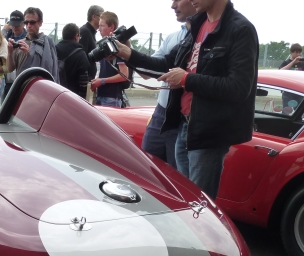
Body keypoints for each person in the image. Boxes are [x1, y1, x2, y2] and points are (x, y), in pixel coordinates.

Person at [114, 0, 258, 199]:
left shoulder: (240, 29)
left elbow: (239, 87)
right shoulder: (197, 25)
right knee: (185, 200)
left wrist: (186, 79)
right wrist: (126, 53)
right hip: (184, 126)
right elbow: (166, 64)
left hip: (208, 134)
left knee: (200, 206)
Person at [141, 0, 195, 167]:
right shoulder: (173, 38)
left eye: (177, 0)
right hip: (160, 114)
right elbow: (145, 72)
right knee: (148, 169)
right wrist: (125, 53)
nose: (173, 6)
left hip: (182, 119)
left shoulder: (205, 38)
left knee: (177, 179)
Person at [6, 7, 59, 82]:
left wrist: (30, 55)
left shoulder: (47, 43)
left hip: (40, 87)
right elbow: (9, 69)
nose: (29, 25)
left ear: (40, 23)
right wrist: (10, 53)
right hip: (22, 87)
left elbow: (51, 70)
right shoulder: (20, 43)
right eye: (26, 22)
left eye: (32, 22)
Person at [89, 11, 128, 107]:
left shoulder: (119, 47)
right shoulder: (105, 46)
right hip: (103, 95)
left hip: (112, 98)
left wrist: (102, 81)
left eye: (102, 26)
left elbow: (124, 75)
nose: (99, 29)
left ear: (111, 27)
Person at [56, 23, 89, 98]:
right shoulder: (81, 54)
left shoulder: (54, 49)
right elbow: (83, 81)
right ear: (76, 36)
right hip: (73, 96)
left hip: (56, 93)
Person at [2, 10, 26, 95]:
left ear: (23, 24)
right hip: (7, 81)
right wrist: (4, 30)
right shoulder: (6, 36)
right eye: (13, 24)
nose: (15, 27)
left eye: (18, 24)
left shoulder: (28, 39)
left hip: (21, 81)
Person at [79, 5, 103, 81]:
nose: (103, 20)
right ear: (94, 17)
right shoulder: (85, 31)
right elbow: (82, 56)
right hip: (85, 78)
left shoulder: (90, 32)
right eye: (101, 18)